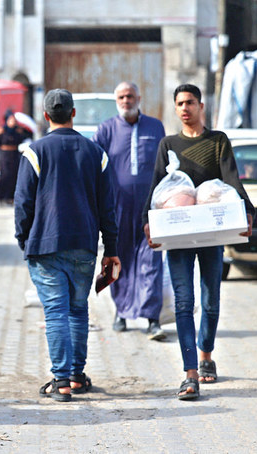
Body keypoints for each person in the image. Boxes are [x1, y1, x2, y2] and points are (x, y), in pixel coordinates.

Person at [142, 84, 254, 401]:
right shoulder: (168, 144)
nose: (184, 108)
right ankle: (190, 373)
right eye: (179, 103)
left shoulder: (217, 141)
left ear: (200, 105)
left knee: (210, 299)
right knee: (182, 302)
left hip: (211, 233)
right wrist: (147, 222)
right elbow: (156, 187)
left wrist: (247, 212)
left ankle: (206, 354)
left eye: (190, 102)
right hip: (178, 234)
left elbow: (232, 180)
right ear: (175, 108)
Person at [15, 89, 120, 402]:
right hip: (84, 246)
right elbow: (108, 207)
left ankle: (60, 380)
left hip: (45, 246)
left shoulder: (34, 152)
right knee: (77, 310)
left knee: (56, 312)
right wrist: (111, 248)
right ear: (73, 113)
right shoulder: (95, 153)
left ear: (46, 116)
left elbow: (22, 204)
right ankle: (75, 376)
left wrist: (25, 240)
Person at [92, 82, 167, 340]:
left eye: (130, 96)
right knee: (119, 257)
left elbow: (166, 165)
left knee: (151, 260)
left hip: (150, 206)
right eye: (122, 97)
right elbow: (93, 163)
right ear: (116, 100)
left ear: (139, 98)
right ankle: (121, 312)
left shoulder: (155, 127)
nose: (126, 100)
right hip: (118, 207)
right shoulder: (106, 129)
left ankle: (152, 318)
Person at [0, 110, 29, 204]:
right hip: (4, 155)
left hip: (14, 155)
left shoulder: (18, 130)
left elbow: (24, 138)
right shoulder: (2, 130)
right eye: (11, 120)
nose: (13, 122)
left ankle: (11, 197)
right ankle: (2, 196)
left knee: (14, 176)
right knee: (5, 176)